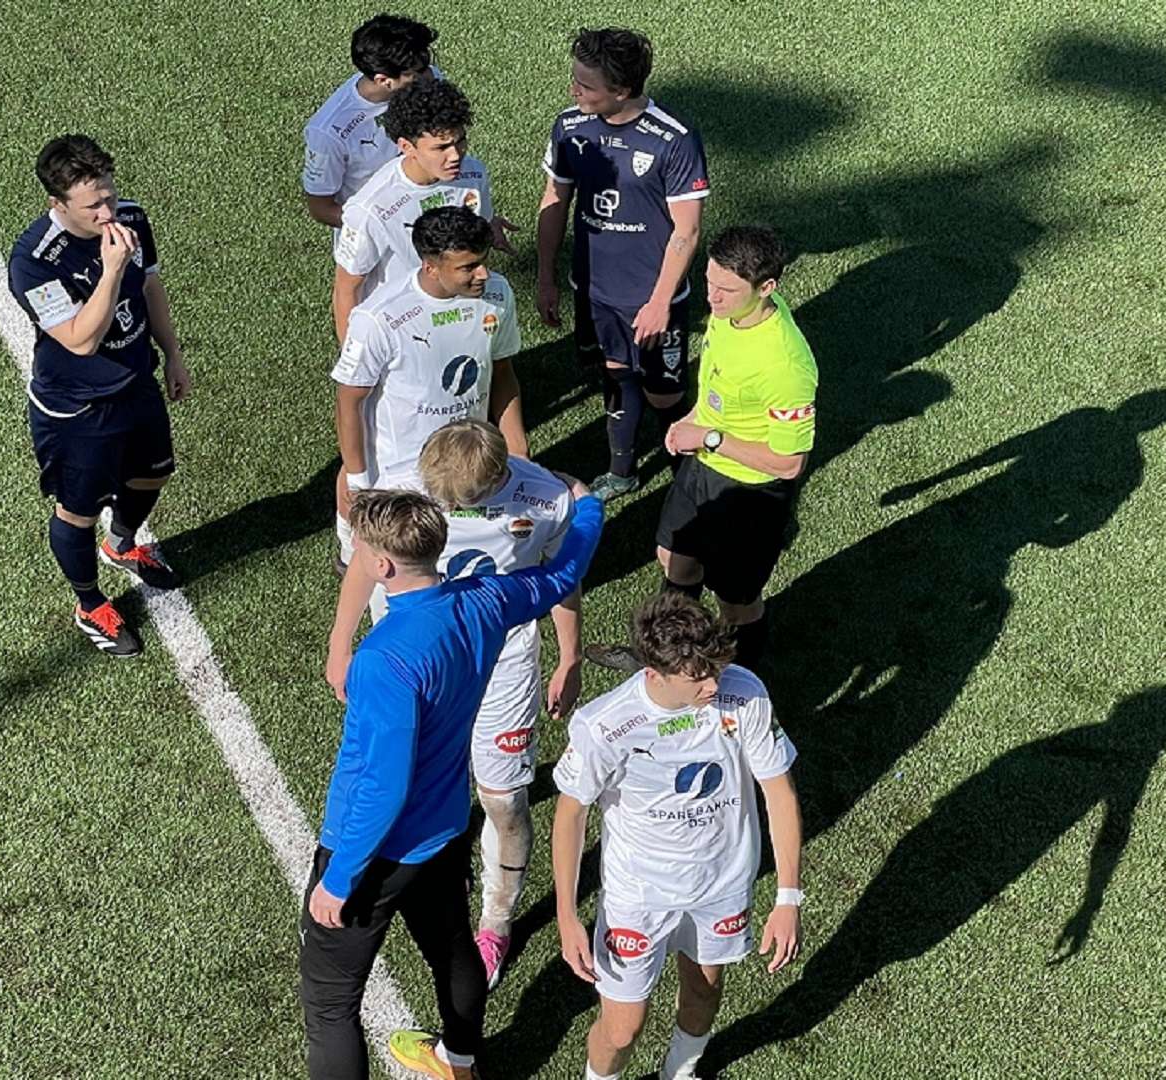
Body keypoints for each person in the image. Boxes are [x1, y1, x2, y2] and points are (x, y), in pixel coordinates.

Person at [302, 486, 606, 1080]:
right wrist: (588, 506)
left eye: (362, 548)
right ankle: (460, 1061)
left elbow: (384, 786)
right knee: (451, 949)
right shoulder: (487, 599)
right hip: (443, 829)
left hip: (375, 852)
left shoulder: (384, 659)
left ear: (383, 566)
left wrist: (339, 879)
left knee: (330, 1008)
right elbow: (564, 569)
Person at [325, 419, 583, 989]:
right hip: (414, 659)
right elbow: (369, 560)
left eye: (454, 502)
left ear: (495, 480)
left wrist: (570, 654)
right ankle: (441, 865)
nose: (439, 505)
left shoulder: (543, 497)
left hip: (500, 656)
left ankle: (495, 919)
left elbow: (560, 577)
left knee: (504, 798)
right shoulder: (400, 487)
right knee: (403, 777)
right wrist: (340, 642)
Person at [551, 593, 804, 1080]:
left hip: (721, 884)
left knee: (705, 992)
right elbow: (571, 814)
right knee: (623, 1028)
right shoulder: (606, 726)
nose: (713, 684)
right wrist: (566, 914)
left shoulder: (744, 693)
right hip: (639, 896)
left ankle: (680, 1072)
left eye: (715, 668)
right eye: (698, 676)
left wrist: (788, 896)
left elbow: (779, 792)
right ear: (654, 673)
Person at [590, 225, 815, 674]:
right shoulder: (731, 312)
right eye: (709, 281)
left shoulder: (785, 364)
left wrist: (709, 439)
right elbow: (718, 381)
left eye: (726, 289)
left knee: (736, 601)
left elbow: (789, 464)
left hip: (751, 491)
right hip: (705, 463)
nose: (711, 297)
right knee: (674, 557)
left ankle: (739, 684)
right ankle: (661, 657)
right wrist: (694, 419)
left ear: (767, 287)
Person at [6, 134, 190, 658]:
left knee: (155, 470)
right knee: (77, 512)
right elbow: (81, 340)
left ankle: (122, 544)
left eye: (109, 196)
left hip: (136, 383)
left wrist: (172, 353)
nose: (108, 212)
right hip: (77, 409)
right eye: (93, 206)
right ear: (57, 204)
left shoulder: (131, 217)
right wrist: (110, 270)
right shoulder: (35, 262)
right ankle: (89, 604)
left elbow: (151, 285)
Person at [535, 27, 709, 500]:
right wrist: (546, 277)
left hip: (653, 298)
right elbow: (555, 198)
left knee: (664, 395)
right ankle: (623, 471)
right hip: (594, 291)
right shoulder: (571, 127)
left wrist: (658, 304)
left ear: (622, 90)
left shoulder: (673, 139)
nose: (574, 91)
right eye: (575, 80)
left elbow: (686, 231)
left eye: (586, 85)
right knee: (614, 371)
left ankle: (686, 486)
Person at [331, 206, 526, 574]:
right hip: (400, 475)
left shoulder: (497, 295)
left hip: (468, 467)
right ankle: (348, 554)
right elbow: (349, 400)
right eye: (468, 267)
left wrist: (518, 450)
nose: (483, 274)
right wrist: (358, 481)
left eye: (483, 262)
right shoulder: (379, 319)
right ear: (430, 266)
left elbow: (503, 372)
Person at [334, 77, 514, 345]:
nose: (456, 155)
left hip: (460, 317)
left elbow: (479, 226)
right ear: (407, 147)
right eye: (441, 147)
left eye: (460, 141)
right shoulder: (371, 207)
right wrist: (356, 363)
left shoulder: (473, 173)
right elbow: (346, 290)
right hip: (401, 334)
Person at [302, 14, 439, 229]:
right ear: (383, 80)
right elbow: (321, 208)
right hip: (376, 245)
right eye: (418, 72)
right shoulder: (328, 132)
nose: (431, 76)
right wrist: (388, 229)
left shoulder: (423, 85)